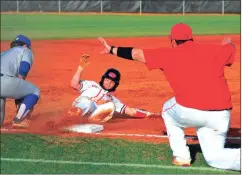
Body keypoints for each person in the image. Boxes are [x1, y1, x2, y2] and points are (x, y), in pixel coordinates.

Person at [97, 23, 240, 171]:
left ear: (172, 40)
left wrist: (112, 50)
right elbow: (230, 49)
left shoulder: (166, 54)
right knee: (214, 158)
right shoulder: (214, 50)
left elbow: (136, 53)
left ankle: (181, 156)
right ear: (191, 38)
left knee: (167, 110)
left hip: (189, 111)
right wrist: (228, 44)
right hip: (221, 115)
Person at [68, 54, 159, 123]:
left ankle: (91, 118)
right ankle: (69, 119)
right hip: (81, 104)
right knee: (87, 102)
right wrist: (80, 68)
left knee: (110, 105)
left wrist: (150, 114)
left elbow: (130, 111)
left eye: (112, 82)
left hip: (93, 111)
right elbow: (74, 84)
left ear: (115, 85)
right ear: (103, 79)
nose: (109, 83)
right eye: (107, 80)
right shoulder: (91, 84)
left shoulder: (112, 100)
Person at [0, 35, 40, 128]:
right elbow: (24, 69)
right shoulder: (25, 50)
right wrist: (22, 100)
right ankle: (19, 119)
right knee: (35, 91)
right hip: (5, 82)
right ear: (25, 46)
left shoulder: (3, 53)